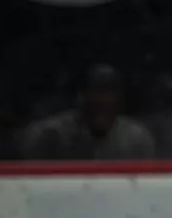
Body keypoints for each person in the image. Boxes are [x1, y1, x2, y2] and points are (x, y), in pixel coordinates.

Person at [19, 64, 156, 161]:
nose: (103, 100)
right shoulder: (48, 135)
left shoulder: (137, 140)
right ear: (80, 98)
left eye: (109, 94)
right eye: (97, 93)